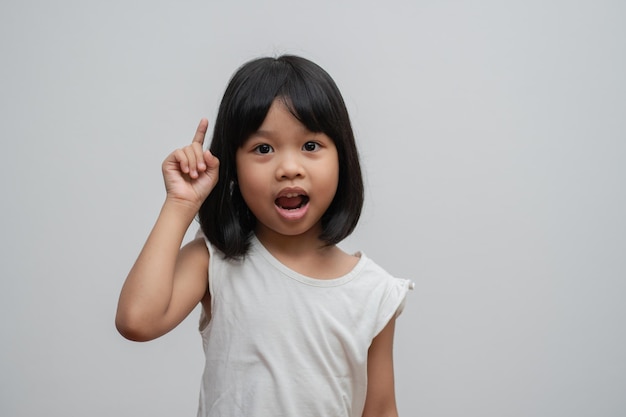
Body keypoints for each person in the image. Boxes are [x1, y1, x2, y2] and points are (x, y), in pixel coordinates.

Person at [116, 55, 413, 417]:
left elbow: (380, 409)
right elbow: (136, 320)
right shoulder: (215, 261)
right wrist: (181, 202)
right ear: (231, 165)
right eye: (263, 149)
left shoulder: (373, 291)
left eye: (310, 146)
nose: (289, 168)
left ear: (342, 157)